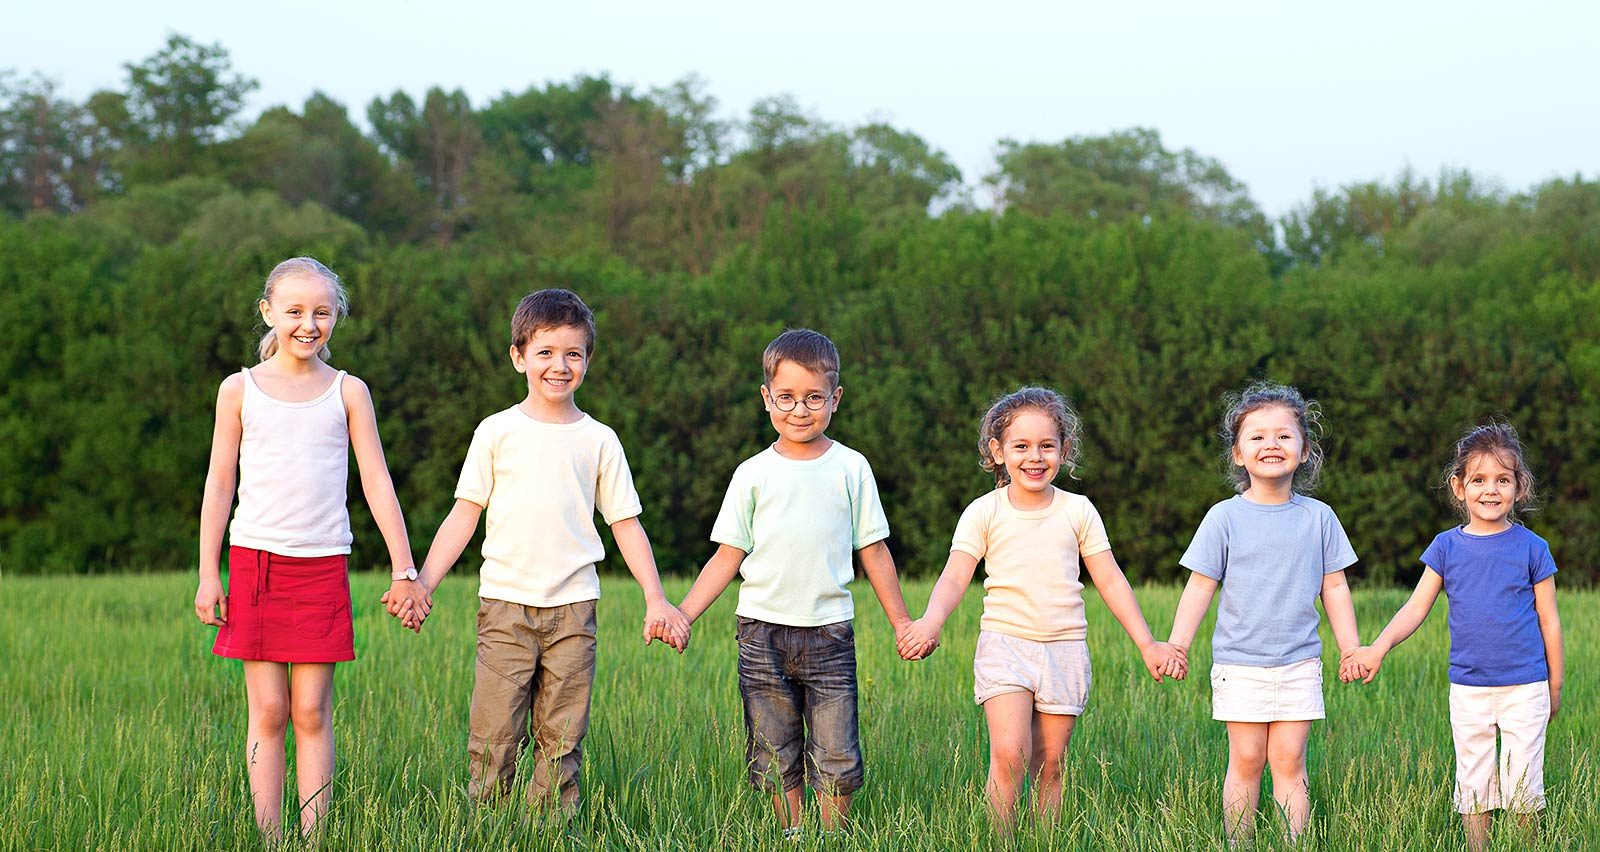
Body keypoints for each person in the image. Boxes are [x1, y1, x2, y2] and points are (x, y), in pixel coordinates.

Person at [388, 288, 688, 816]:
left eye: (573, 353)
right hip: (505, 607)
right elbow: (464, 514)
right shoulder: (497, 431)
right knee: (495, 734)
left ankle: (549, 828)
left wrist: (656, 599)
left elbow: (626, 524)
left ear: (588, 360)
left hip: (574, 610)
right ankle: (489, 825)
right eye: (546, 352)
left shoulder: (600, 440)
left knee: (563, 737)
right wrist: (422, 583)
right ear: (518, 357)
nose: (559, 365)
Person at [194, 257, 425, 838]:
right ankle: (269, 838)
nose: (308, 323)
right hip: (255, 566)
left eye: (322, 312)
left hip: (322, 568)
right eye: (294, 311)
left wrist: (405, 569)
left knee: (310, 712)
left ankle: (314, 838)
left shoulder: (349, 392)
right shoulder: (238, 390)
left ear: (337, 316)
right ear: (268, 312)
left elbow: (376, 481)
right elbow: (220, 481)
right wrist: (208, 573)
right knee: (268, 712)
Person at [665, 329, 918, 840]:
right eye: (786, 397)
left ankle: (831, 837)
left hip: (828, 632)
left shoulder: (851, 467)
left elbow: (874, 550)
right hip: (761, 633)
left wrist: (902, 623)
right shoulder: (752, 474)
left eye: (813, 398)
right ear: (767, 398)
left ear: (835, 399)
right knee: (774, 748)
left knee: (836, 749)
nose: (799, 410)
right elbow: (727, 555)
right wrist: (683, 613)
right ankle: (794, 834)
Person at [896, 387, 1187, 828]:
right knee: (1009, 756)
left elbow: (1109, 578)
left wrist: (1148, 645)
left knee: (1050, 764)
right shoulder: (984, 512)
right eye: (1021, 446)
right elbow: (955, 575)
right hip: (1005, 646)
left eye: (1047, 445)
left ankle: (1044, 839)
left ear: (1064, 450)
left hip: (1064, 650)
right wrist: (931, 622)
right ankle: (1001, 839)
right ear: (998, 451)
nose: (1035, 457)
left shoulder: (1079, 511)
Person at [1343, 421, 1564, 852]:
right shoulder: (1447, 547)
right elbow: (1415, 608)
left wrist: (1554, 684)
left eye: (1503, 479)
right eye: (1479, 479)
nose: (1491, 490)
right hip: (1469, 687)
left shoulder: (1533, 548)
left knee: (1523, 782)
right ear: (1458, 486)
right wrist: (1379, 647)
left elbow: (1549, 621)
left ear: (1520, 488)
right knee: (1474, 778)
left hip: (1526, 685)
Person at [1165, 381, 1361, 846]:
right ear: (1237, 454)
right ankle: (1241, 842)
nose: (1271, 444)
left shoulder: (1319, 518)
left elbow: (1334, 585)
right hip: (1240, 663)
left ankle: (1296, 842)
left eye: (1283, 435)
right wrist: (1177, 643)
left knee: (1290, 760)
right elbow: (1200, 586)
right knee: (1247, 758)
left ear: (1305, 450)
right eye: (1256, 437)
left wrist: (1351, 647)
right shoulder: (1223, 518)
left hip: (1299, 662)